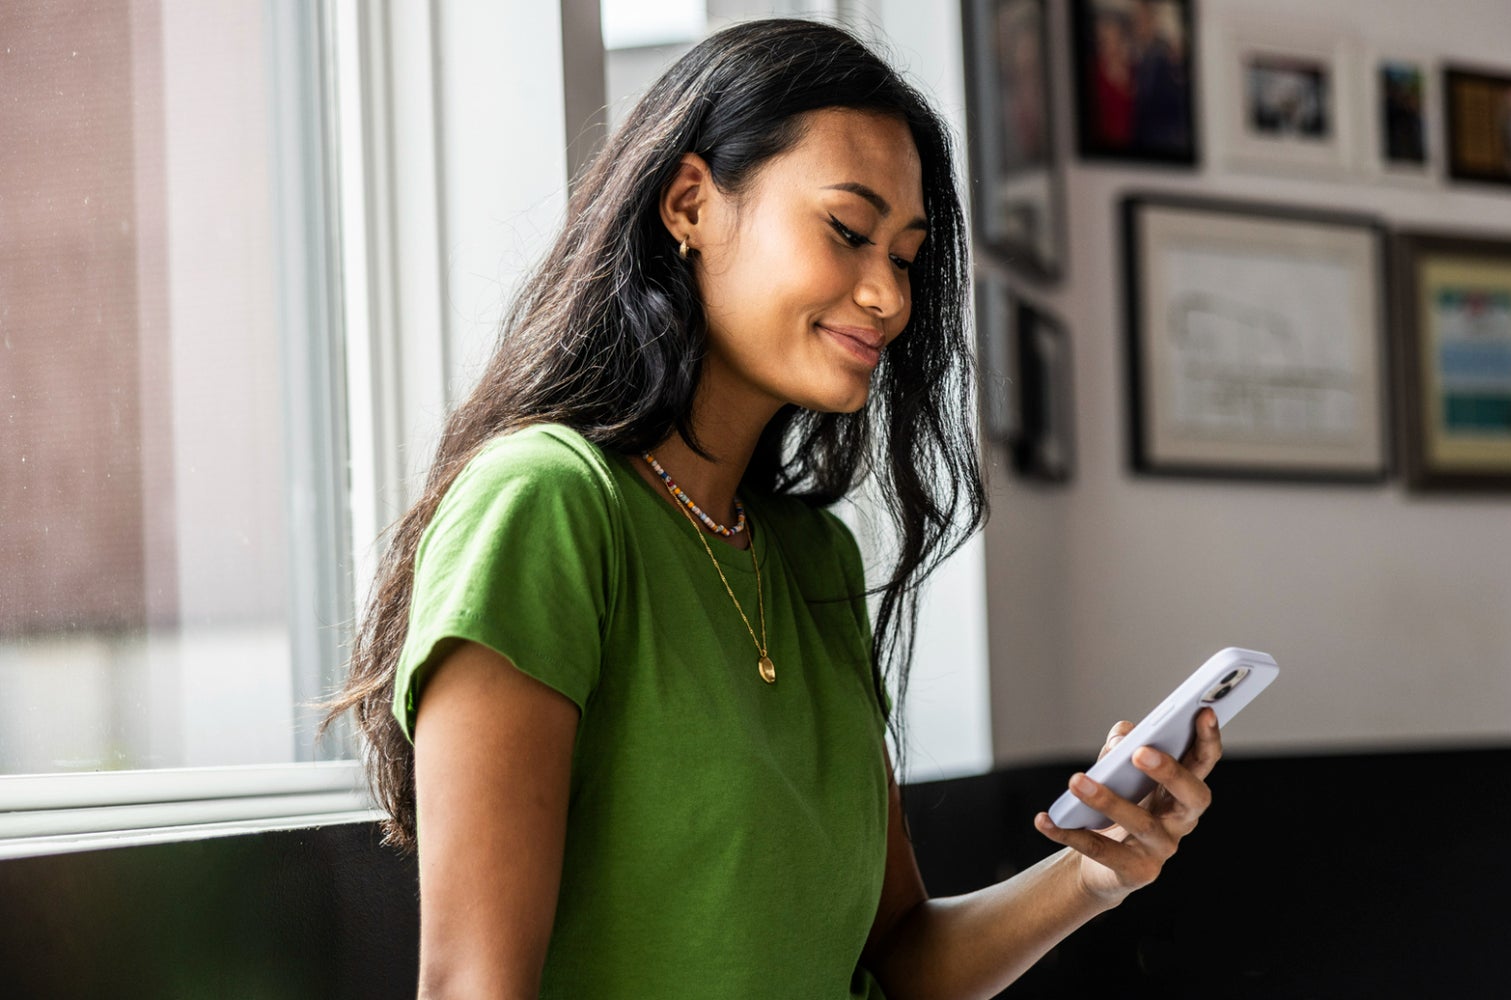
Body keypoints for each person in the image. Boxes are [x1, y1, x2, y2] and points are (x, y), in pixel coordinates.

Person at [322, 17, 1226, 1000]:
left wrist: (1092, 874)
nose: (888, 296)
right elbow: (471, 984)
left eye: (905, 255)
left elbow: (900, 961)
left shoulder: (811, 556)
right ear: (689, 204)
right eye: (847, 231)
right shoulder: (546, 505)